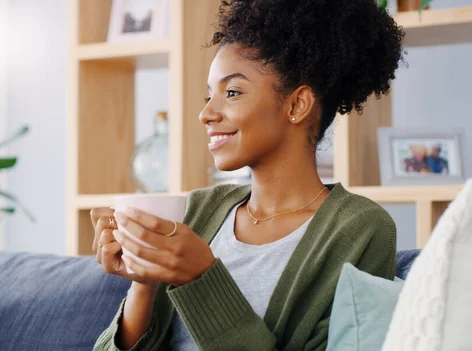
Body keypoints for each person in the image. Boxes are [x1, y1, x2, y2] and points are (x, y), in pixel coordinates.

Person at [92, 0, 403, 350]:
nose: (206, 113)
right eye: (209, 95)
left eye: (232, 92)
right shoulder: (197, 210)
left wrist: (201, 277)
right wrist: (143, 281)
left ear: (297, 105)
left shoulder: (360, 229)